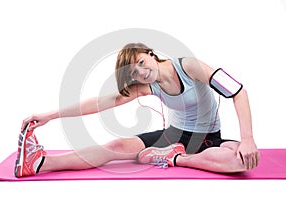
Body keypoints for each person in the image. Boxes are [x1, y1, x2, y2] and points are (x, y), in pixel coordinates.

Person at [15, 43, 260, 177]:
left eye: (141, 63)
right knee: (116, 146)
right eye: (134, 72)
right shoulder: (146, 86)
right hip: (172, 136)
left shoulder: (189, 66)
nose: (141, 73)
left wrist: (247, 139)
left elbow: (238, 91)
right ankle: (41, 164)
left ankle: (174, 158)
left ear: (151, 54)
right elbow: (101, 103)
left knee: (242, 161)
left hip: (208, 139)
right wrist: (50, 115)